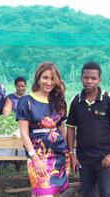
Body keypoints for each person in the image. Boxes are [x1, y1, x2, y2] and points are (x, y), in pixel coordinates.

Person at [66, 61, 110, 197]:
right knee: (88, 193)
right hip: (83, 158)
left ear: (100, 80)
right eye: (86, 77)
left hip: (104, 158)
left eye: (93, 78)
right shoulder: (76, 101)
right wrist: (71, 154)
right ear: (81, 78)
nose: (89, 81)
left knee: (107, 194)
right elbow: (70, 128)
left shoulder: (108, 98)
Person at [16, 62, 70, 196]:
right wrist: (35, 158)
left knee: (42, 193)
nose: (49, 82)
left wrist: (69, 152)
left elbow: (61, 129)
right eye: (45, 77)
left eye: (53, 79)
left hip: (58, 154)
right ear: (38, 78)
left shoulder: (59, 101)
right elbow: (24, 133)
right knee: (44, 192)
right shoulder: (26, 101)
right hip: (38, 154)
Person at [3, 76, 27, 172]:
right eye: (19, 86)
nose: (21, 88)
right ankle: (15, 163)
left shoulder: (28, 97)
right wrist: (8, 120)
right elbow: (6, 110)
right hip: (14, 125)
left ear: (26, 86)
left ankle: (23, 162)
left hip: (26, 124)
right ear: (15, 86)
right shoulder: (10, 98)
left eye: (23, 86)